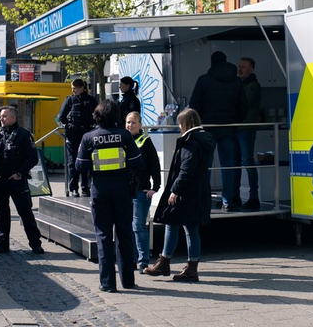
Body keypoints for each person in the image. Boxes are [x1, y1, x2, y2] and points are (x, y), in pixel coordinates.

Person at [76, 100, 143, 293]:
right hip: (122, 189)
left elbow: (80, 166)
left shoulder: (88, 137)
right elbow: (138, 163)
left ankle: (107, 283)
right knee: (124, 235)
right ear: (116, 116)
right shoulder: (124, 136)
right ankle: (128, 281)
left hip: (99, 190)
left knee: (103, 236)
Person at [143, 108, 216, 282]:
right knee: (190, 228)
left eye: (180, 124)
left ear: (185, 124)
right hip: (197, 190)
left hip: (186, 192)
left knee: (172, 222)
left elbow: (186, 168)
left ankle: (166, 263)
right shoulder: (204, 139)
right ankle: (189, 267)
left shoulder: (191, 142)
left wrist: (176, 189)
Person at [189, 51, 247, 212]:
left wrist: (199, 124)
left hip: (208, 128)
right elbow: (243, 105)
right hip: (228, 128)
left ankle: (204, 200)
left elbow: (194, 105)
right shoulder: (236, 81)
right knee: (228, 166)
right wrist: (235, 122)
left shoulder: (204, 80)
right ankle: (227, 201)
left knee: (205, 166)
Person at [0, 105, 44, 254]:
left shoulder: (23, 135)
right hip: (1, 181)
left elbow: (32, 157)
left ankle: (35, 244)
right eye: (1, 116)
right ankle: (3, 243)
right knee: (2, 213)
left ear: (13, 118)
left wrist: (20, 173)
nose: (1, 119)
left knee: (25, 212)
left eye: (4, 116)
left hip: (17, 181)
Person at [125, 111, 161, 272]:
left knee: (138, 225)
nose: (130, 125)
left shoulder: (145, 141)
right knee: (129, 226)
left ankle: (143, 261)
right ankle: (131, 259)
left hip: (141, 190)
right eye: (127, 122)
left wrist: (156, 187)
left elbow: (154, 165)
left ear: (140, 125)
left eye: (133, 122)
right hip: (125, 190)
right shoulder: (123, 141)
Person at [57, 79, 98, 197]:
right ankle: (74, 188)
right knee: (72, 162)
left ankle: (85, 187)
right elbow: (61, 116)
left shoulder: (90, 100)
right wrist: (69, 125)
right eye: (72, 88)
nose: (73, 90)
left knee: (87, 161)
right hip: (73, 134)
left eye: (75, 88)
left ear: (82, 88)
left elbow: (97, 114)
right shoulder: (69, 100)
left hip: (87, 134)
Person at [237, 57, 262, 211]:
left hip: (246, 128)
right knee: (239, 162)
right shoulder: (241, 84)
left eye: (244, 67)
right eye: (239, 66)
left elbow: (245, 103)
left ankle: (254, 196)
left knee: (247, 161)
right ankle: (237, 195)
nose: (240, 69)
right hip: (239, 127)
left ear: (251, 69)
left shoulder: (253, 85)